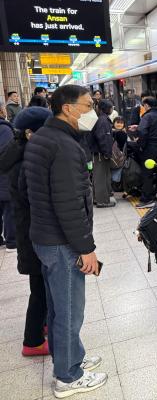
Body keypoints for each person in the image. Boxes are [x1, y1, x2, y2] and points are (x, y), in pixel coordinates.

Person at [23, 85, 107, 398]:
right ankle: (69, 376)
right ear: (68, 108)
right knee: (70, 310)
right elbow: (70, 204)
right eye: (88, 106)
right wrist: (86, 249)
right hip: (62, 242)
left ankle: (71, 357)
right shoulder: (64, 146)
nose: (92, 112)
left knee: (58, 308)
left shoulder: (42, 138)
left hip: (45, 237)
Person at [0, 107, 52, 356]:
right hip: (35, 234)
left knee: (40, 285)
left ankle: (42, 325)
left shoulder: (19, 151)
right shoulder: (26, 161)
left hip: (30, 231)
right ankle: (32, 341)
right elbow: (36, 201)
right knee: (40, 289)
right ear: (31, 133)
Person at [136, 96, 157, 208]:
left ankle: (146, 199)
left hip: (150, 148)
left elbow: (142, 131)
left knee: (147, 173)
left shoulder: (147, 116)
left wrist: (141, 145)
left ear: (146, 105)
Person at [89, 100, 115, 208]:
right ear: (106, 108)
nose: (112, 109)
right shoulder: (103, 120)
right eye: (111, 107)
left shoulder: (101, 119)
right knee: (101, 177)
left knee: (99, 176)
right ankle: (102, 201)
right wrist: (106, 152)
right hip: (100, 153)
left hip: (99, 152)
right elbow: (103, 138)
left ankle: (97, 198)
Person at [0, 101, 16, 249]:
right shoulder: (4, 129)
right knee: (9, 208)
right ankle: (12, 240)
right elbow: (7, 154)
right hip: (4, 176)